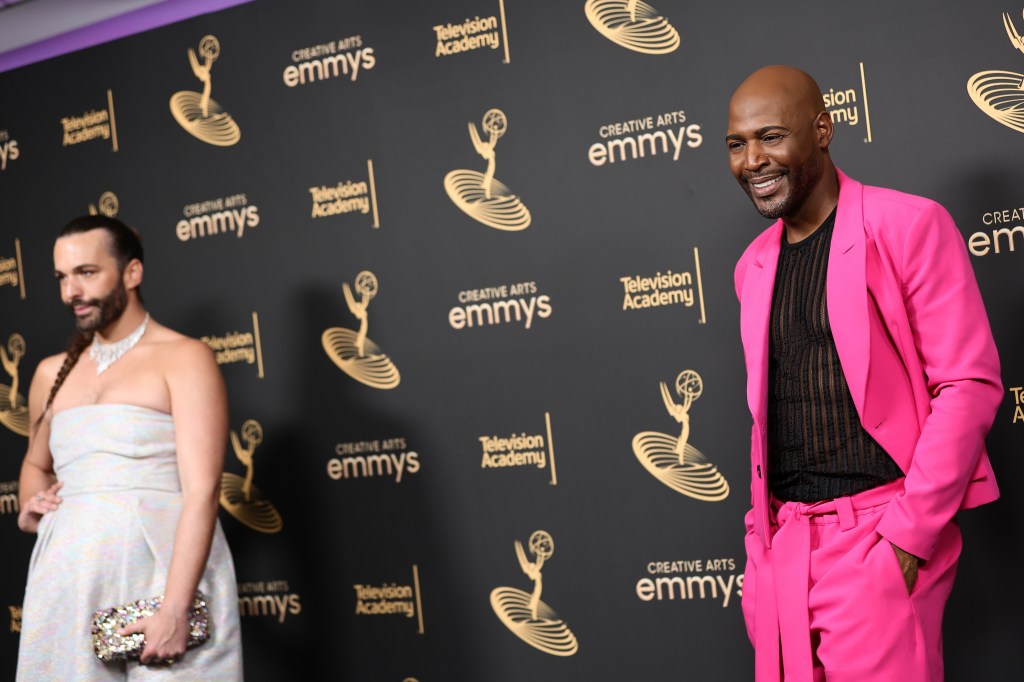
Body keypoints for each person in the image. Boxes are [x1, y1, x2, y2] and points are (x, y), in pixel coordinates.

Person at [727, 65, 1001, 681]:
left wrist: (906, 539)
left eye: (771, 136)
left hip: (876, 537)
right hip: (780, 550)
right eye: (737, 144)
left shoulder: (908, 225)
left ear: (822, 130)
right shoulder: (751, 267)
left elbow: (968, 385)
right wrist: (759, 541)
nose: (752, 160)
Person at [15, 215, 243, 680]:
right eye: (62, 277)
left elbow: (202, 492)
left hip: (162, 577)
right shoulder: (48, 373)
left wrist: (175, 608)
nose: (71, 292)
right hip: (70, 577)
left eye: (86, 272)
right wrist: (33, 509)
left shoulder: (185, 358)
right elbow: (36, 464)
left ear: (132, 272)